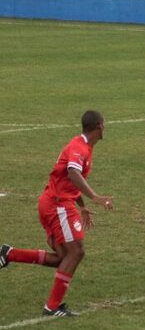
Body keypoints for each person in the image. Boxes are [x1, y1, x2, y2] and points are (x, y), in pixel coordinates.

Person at [0, 111, 114, 317]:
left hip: (53, 202)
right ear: (98, 126)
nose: (105, 128)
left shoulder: (82, 146)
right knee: (76, 252)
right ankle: (52, 307)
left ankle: (9, 254)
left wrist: (81, 205)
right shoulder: (80, 148)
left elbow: (68, 179)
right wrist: (95, 197)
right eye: (104, 124)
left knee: (62, 258)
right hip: (57, 205)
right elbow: (72, 173)